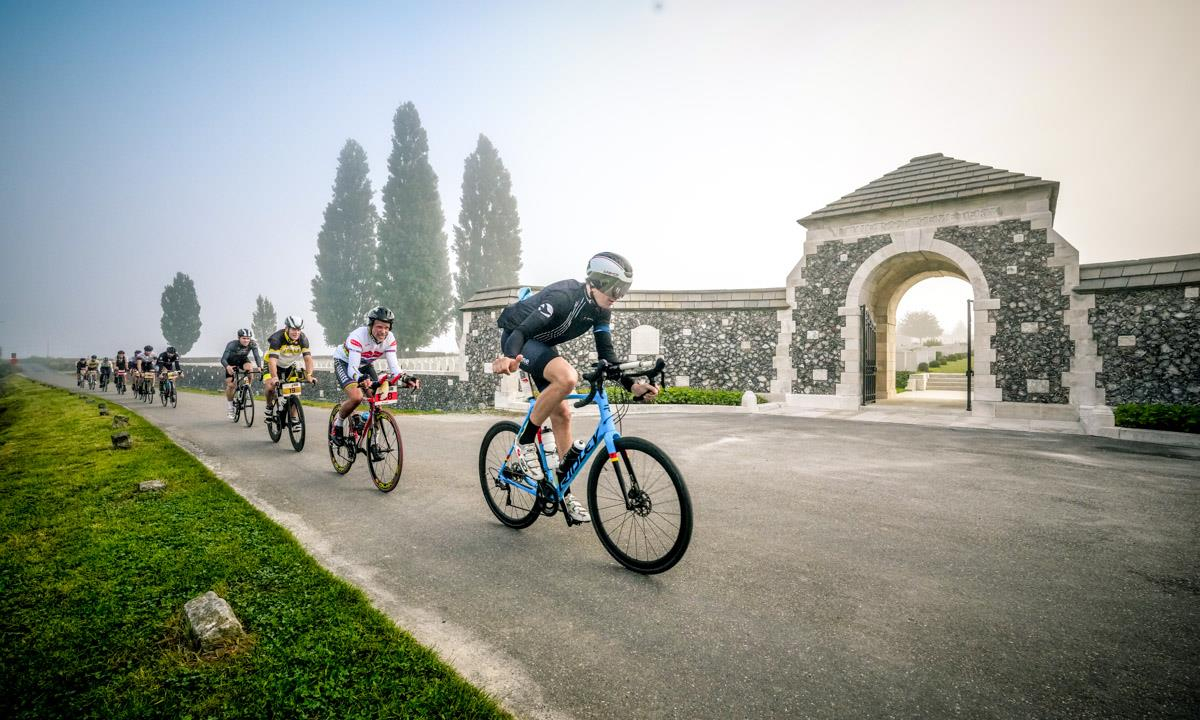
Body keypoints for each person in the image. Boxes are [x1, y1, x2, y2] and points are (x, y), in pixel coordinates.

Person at [490, 252, 658, 523]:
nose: (618, 295)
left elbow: (608, 356)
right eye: (615, 288)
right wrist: (510, 358)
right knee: (568, 378)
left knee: (564, 414)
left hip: (541, 345)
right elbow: (521, 332)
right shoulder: (565, 297)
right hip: (518, 338)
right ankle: (523, 443)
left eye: (623, 290)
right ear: (596, 281)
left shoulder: (601, 311)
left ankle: (563, 493)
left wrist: (633, 385)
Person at [329, 306, 419, 445]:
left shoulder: (390, 339)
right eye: (379, 327)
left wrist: (405, 378)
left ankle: (373, 439)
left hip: (365, 365)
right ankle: (338, 423)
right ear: (371, 325)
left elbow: (394, 367)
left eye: (386, 328)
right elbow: (353, 369)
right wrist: (360, 378)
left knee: (378, 401)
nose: (383, 331)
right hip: (345, 363)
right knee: (356, 397)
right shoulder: (358, 336)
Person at [263, 316, 316, 417]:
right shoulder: (277, 338)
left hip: (289, 365)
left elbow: (308, 359)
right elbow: (272, 361)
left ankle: (294, 419)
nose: (296, 332)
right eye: (293, 329)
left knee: (295, 392)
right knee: (270, 387)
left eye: (299, 329)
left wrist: (309, 375)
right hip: (272, 364)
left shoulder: (303, 339)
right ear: (287, 328)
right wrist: (274, 377)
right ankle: (269, 406)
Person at [221, 329, 262, 419]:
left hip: (243, 360)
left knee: (250, 369)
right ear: (239, 338)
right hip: (230, 362)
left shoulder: (252, 343)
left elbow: (256, 356)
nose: (246, 340)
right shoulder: (232, 344)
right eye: (244, 338)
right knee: (231, 385)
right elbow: (223, 359)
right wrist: (227, 367)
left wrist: (259, 366)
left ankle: (248, 388)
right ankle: (230, 408)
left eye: (248, 338)